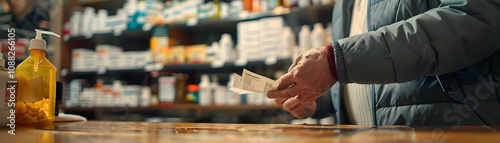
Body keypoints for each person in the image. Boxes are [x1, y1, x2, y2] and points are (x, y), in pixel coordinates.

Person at [267, 0, 500, 126]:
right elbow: (362, 74)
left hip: (452, 128)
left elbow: (474, 19)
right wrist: (319, 98)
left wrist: (336, 60)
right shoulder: (343, 5)